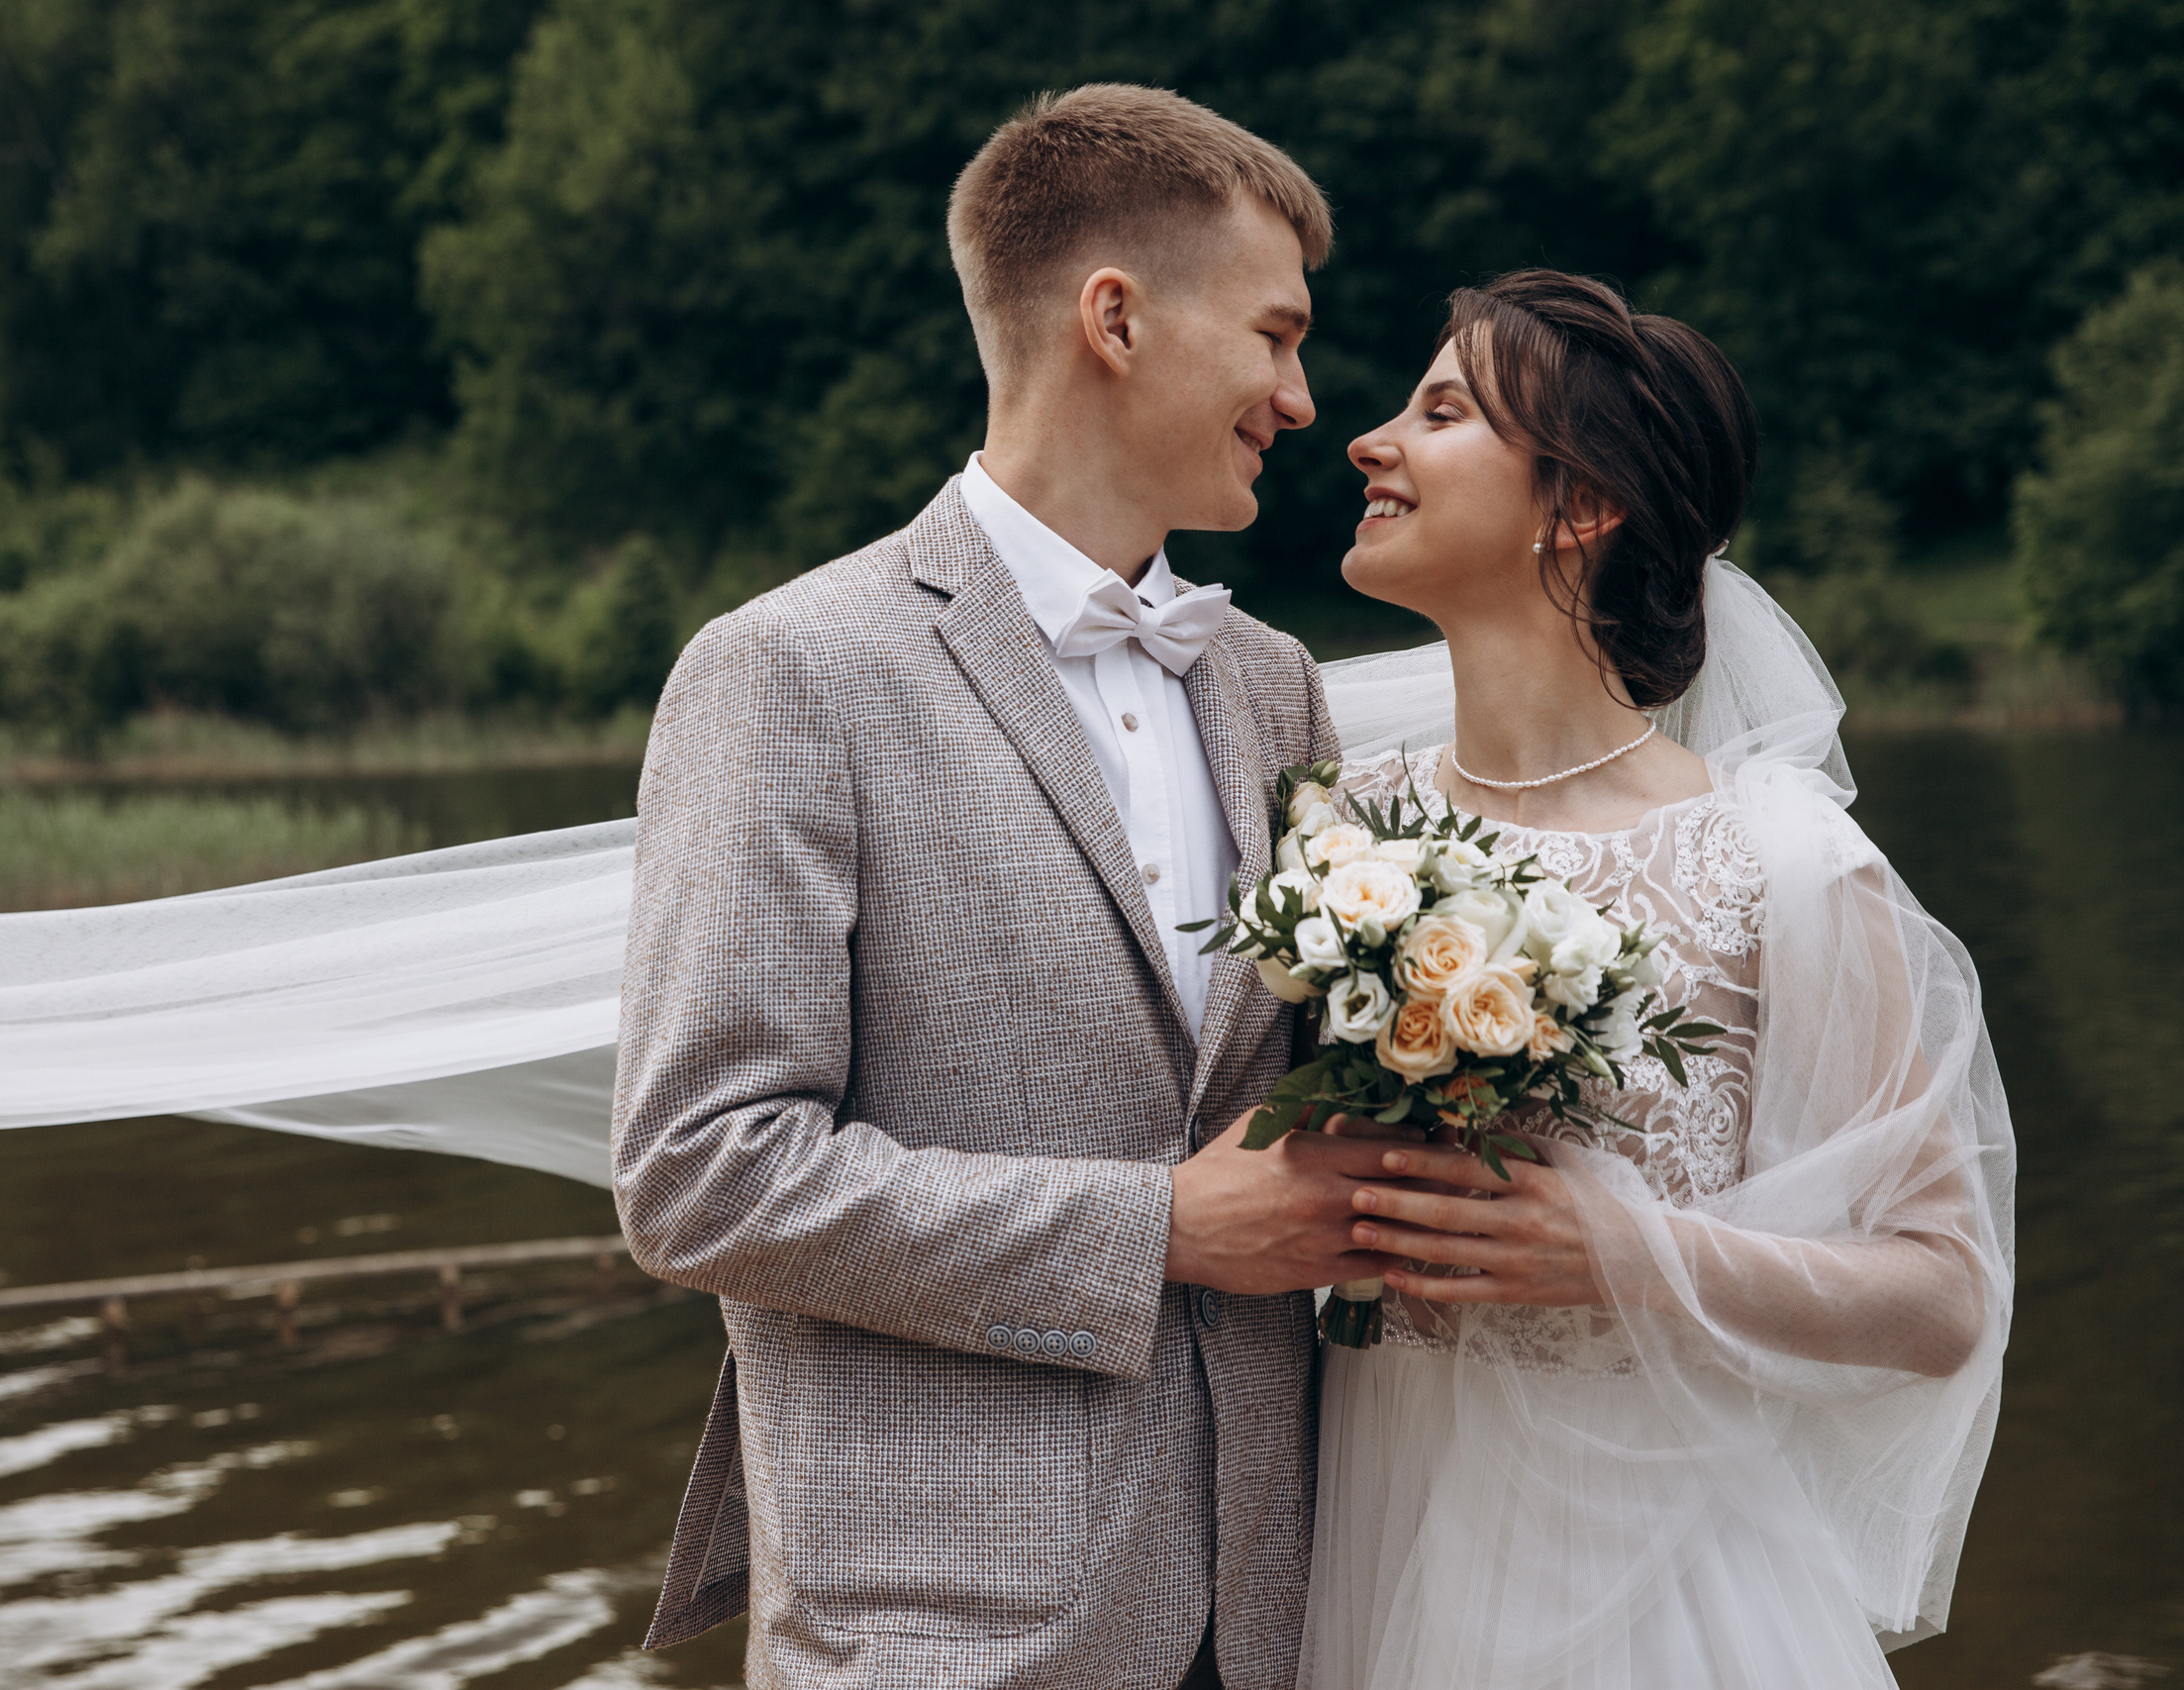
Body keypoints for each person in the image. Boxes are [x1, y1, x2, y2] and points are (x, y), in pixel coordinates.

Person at [610, 85, 1393, 1688]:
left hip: (1272, 1612)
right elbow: (700, 1173)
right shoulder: (789, 671)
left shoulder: (1274, 685)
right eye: (1275, 336)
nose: (1302, 400)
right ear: (1116, 318)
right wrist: (1156, 1229)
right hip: (946, 1636)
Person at [1297, 270, 2014, 1688]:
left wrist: (1627, 1255)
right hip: (1370, 1527)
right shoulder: (1334, 826)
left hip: (1661, 1586)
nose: (1367, 440)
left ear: (1579, 505)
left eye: (1440, 412)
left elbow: (1942, 1298)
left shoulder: (1778, 863)